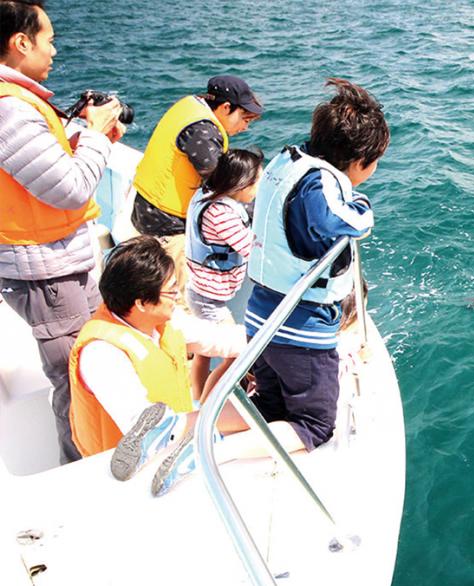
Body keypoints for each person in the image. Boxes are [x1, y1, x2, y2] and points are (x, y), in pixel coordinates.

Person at [66, 236, 304, 495]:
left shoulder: (162, 321)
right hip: (128, 479)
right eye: (171, 291)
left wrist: (294, 343)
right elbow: (148, 433)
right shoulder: (101, 355)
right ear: (142, 303)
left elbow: (224, 341)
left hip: (176, 442)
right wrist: (243, 417)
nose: (179, 296)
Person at [0, 0, 125, 464]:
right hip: (48, 275)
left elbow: (38, 172)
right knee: (78, 377)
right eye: (49, 39)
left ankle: (97, 456)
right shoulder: (11, 109)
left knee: (92, 363)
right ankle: (82, 476)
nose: (54, 50)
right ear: (21, 42)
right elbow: (71, 188)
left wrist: (79, 139)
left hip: (56, 266)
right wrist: (92, 135)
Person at [241, 78, 388, 457]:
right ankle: (204, 450)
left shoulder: (288, 161)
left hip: (260, 315)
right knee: (315, 426)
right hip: (299, 328)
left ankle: (184, 429)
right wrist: (363, 209)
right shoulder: (319, 184)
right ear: (360, 162)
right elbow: (340, 220)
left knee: (269, 406)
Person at [131, 75, 263, 303]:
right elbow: (224, 184)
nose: (245, 127)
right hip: (167, 226)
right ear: (225, 107)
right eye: (245, 118)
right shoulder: (202, 131)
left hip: (144, 209)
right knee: (177, 300)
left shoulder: (190, 107)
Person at [184, 148, 263, 400]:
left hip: (199, 291)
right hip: (210, 301)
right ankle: (206, 410)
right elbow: (251, 249)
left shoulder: (205, 196)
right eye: (257, 182)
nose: (259, 188)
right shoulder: (222, 214)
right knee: (236, 353)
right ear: (240, 185)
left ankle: (198, 400)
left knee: (204, 353)